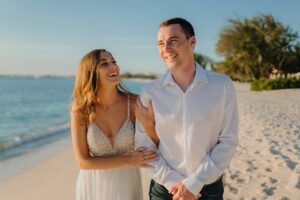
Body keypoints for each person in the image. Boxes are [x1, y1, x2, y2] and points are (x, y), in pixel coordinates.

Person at [135, 17, 239, 200]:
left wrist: (195, 183)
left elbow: (228, 141)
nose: (166, 49)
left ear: (192, 42)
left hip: (208, 189)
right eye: (161, 43)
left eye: (173, 41)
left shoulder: (222, 85)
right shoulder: (150, 92)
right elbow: (144, 146)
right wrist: (174, 183)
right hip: (164, 190)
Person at [71, 49, 159, 200]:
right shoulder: (81, 109)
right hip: (93, 186)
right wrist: (129, 160)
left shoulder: (134, 103)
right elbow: (83, 162)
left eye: (114, 62)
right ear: (91, 73)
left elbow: (157, 141)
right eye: (104, 64)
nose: (113, 67)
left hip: (126, 184)